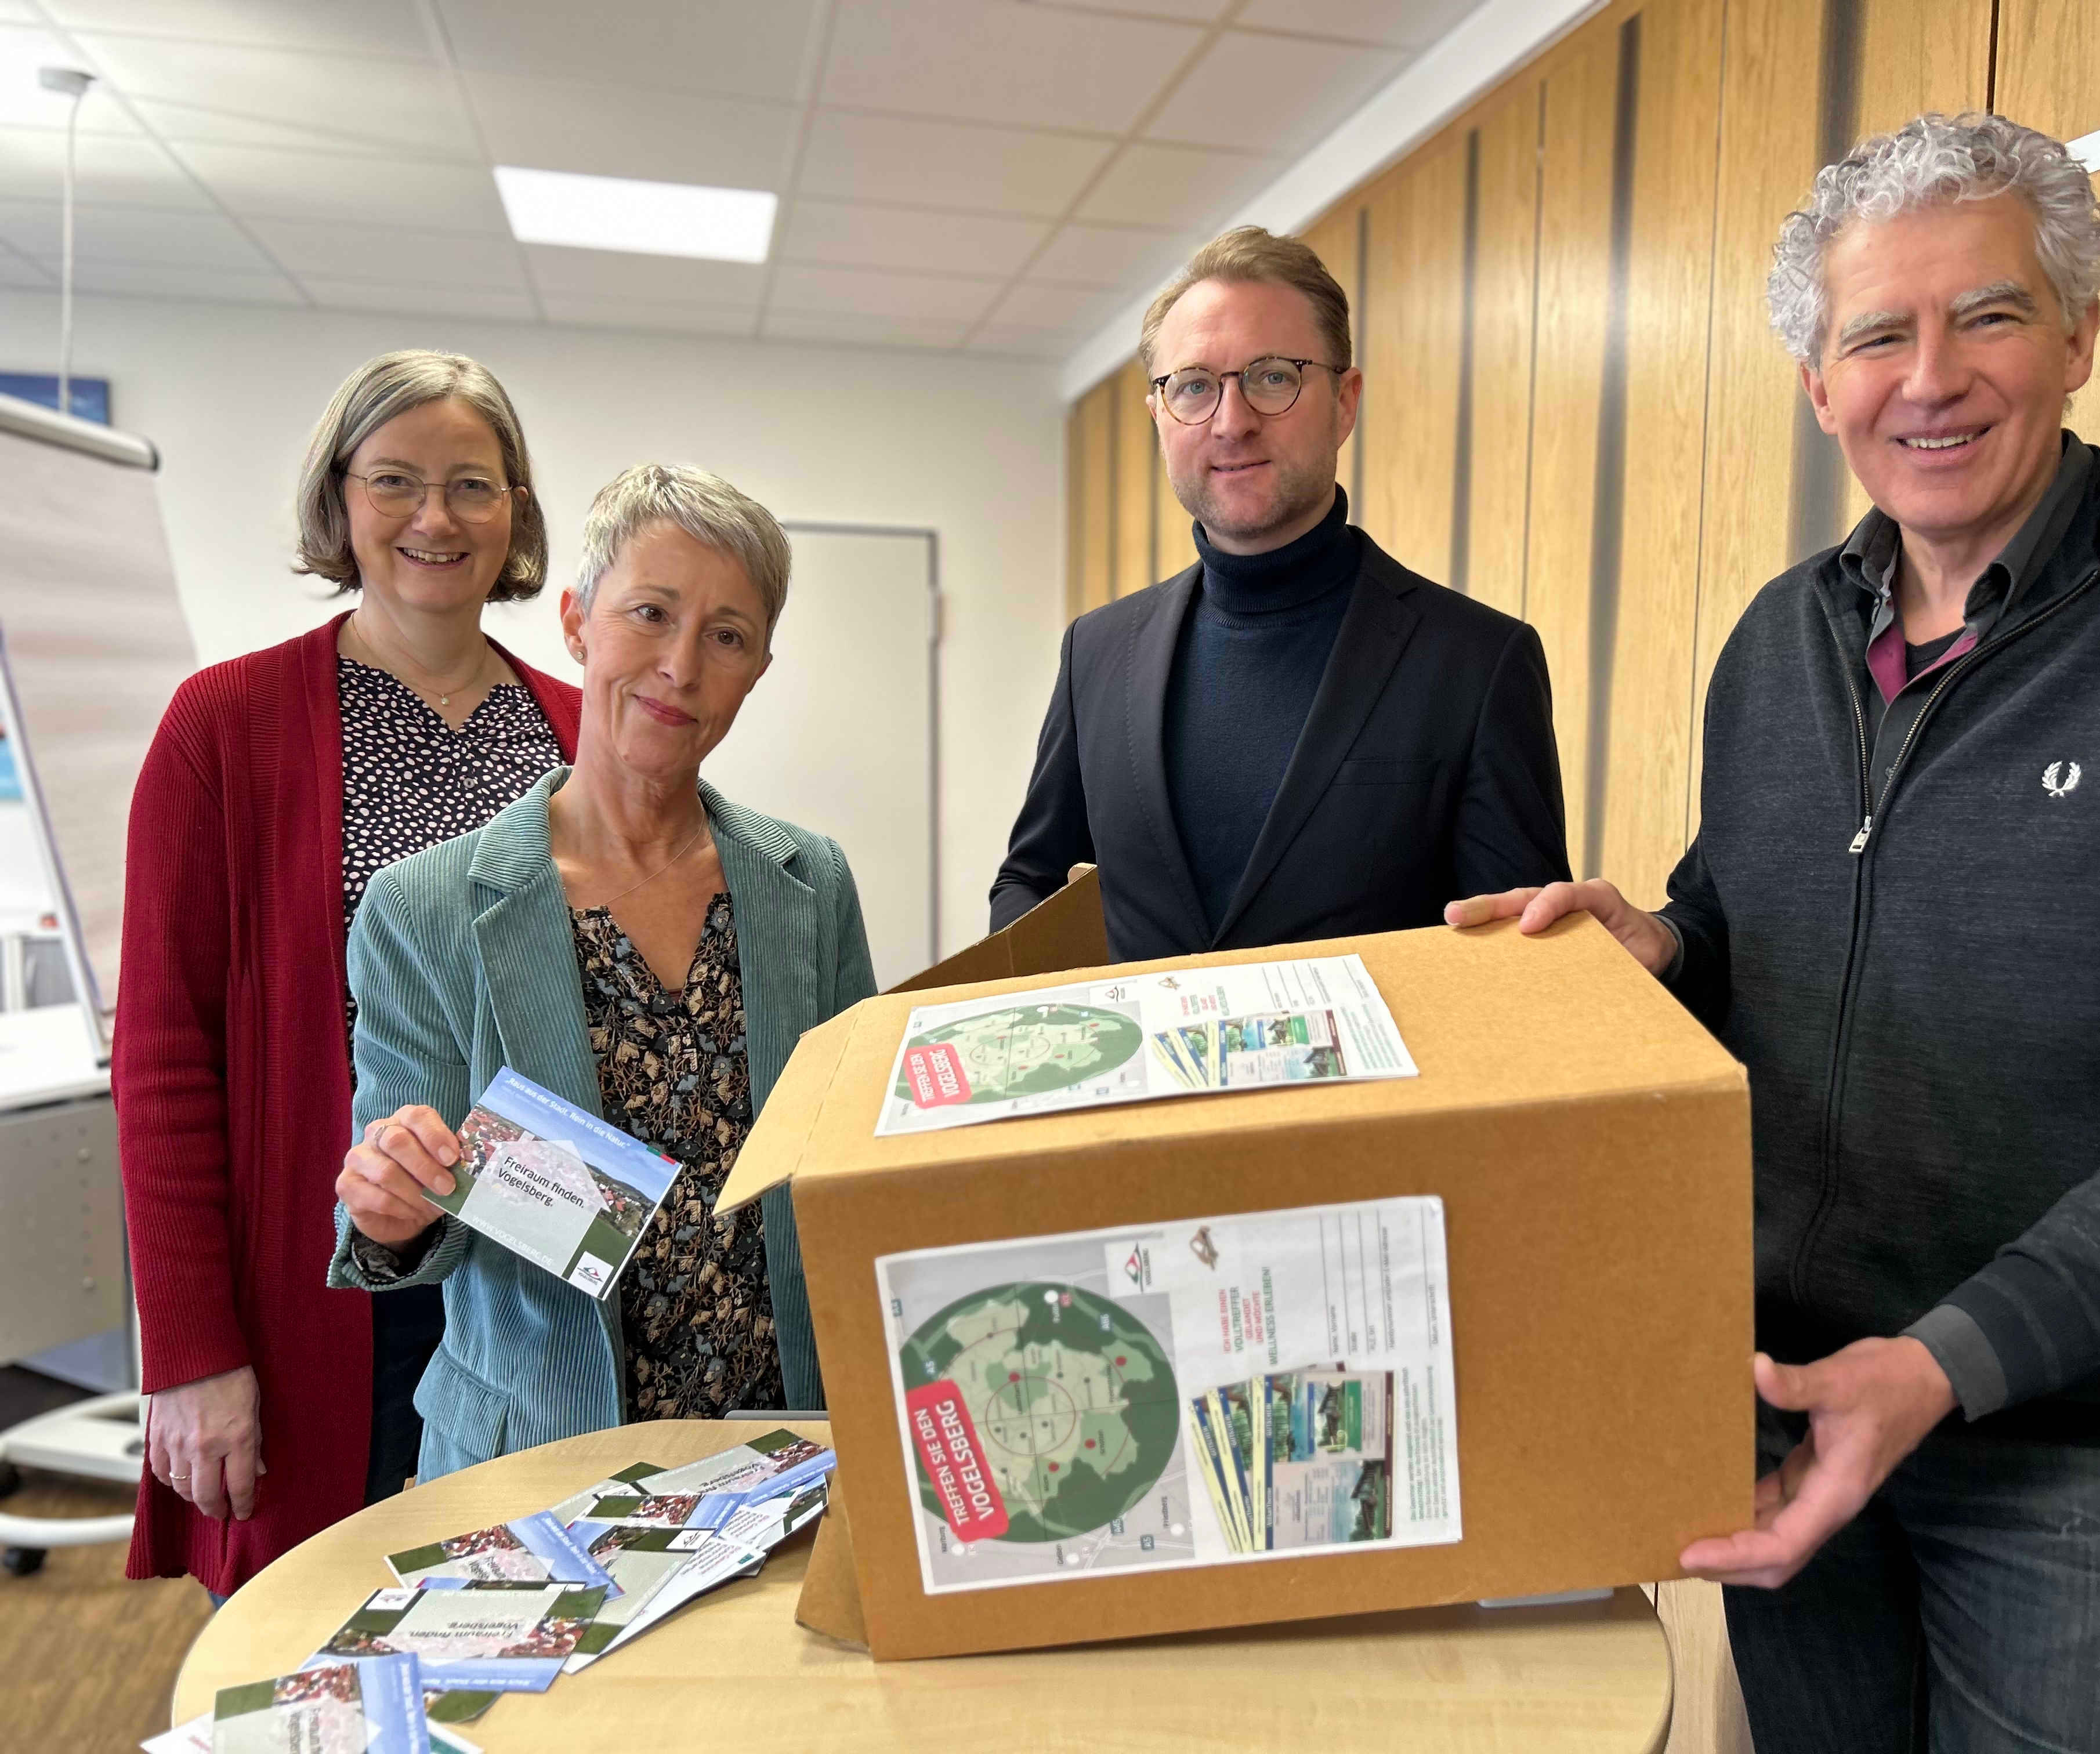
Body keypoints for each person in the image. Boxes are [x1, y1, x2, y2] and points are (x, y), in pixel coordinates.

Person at [1448, 113, 2100, 1751]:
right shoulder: (1777, 642)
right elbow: (1752, 916)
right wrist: (1665, 948)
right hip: (1782, 1414)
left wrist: (1950, 1360)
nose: (1930, 375)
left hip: (2066, 1459)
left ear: (2078, 335)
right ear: (1820, 382)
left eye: (1988, 314)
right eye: (1878, 333)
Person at [115, 351, 580, 1596]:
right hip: (329, 1296)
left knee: (543, 1639)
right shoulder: (226, 725)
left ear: (518, 515)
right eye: (397, 482)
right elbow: (163, 1059)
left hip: (540, 1284)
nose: (436, 518)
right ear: (339, 500)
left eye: (474, 486)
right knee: (322, 1647)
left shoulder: (580, 734)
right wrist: (193, 1352)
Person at [327, 463, 874, 1477]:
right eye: (650, 613)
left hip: (783, 1447)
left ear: (757, 667)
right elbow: (411, 1213)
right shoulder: (426, 908)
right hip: (541, 1457)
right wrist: (393, 1203)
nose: (680, 666)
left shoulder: (810, 884)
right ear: (577, 622)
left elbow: (854, 1170)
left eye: (727, 635)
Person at [991, 226, 1570, 960]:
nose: (1232, 423)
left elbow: (1521, 957)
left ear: (1345, 402)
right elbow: (1031, 882)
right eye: (1195, 386)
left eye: (1273, 378)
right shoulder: (1098, 651)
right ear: (1161, 418)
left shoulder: (1478, 663)